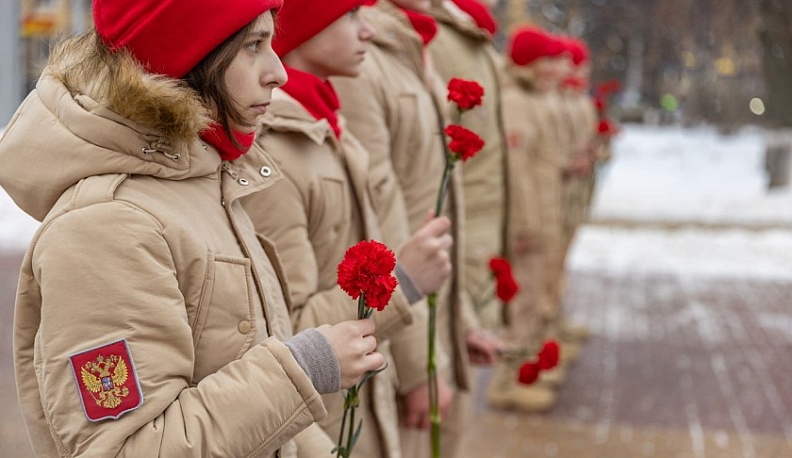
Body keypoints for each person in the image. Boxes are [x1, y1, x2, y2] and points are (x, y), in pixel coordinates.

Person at [0, 1, 386, 456]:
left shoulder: (202, 182)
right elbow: (128, 448)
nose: (279, 72)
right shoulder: (106, 225)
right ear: (186, 57)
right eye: (253, 46)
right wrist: (303, 367)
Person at [238, 1, 455, 456]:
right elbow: (285, 332)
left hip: (353, 405)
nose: (368, 32)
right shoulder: (274, 153)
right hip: (322, 424)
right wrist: (405, 282)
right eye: (351, 14)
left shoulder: (323, 128)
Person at [332, 1, 502, 456]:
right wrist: (415, 369)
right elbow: (377, 226)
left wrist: (460, 321)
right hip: (398, 337)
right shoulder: (360, 57)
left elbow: (435, 205)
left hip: (432, 320)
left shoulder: (409, 45)